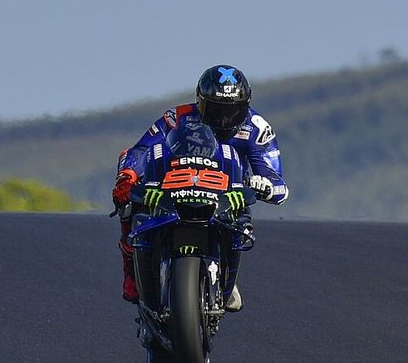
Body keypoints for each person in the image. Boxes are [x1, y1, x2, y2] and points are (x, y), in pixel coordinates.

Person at [111, 65, 289, 310]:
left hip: (226, 195)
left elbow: (278, 182)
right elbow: (140, 149)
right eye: (216, 110)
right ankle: (131, 273)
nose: (224, 120)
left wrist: (266, 185)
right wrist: (128, 174)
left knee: (242, 223)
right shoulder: (177, 116)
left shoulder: (257, 128)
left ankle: (225, 272)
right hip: (173, 187)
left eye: (233, 111)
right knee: (129, 204)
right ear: (201, 102)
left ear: (246, 105)